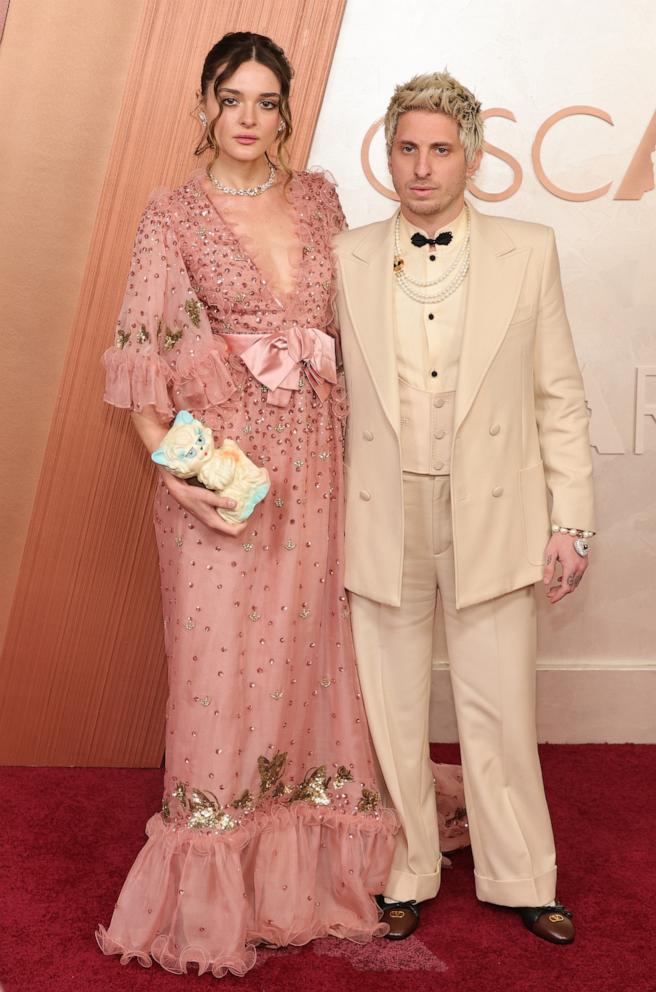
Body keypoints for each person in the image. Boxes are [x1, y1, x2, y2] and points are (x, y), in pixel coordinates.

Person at [96, 32, 399, 979]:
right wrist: (184, 475)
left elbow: (362, 327)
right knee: (220, 671)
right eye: (233, 98)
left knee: (315, 660)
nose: (249, 118)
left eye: (268, 102)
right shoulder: (172, 214)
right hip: (225, 473)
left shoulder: (319, 198)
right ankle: (217, 881)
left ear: (286, 111)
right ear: (204, 105)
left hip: (317, 463)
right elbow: (143, 369)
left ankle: (317, 873)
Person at [333, 71, 595, 945]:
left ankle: (521, 875)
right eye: (407, 147)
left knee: (500, 708)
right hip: (381, 509)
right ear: (389, 155)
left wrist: (573, 521)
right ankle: (408, 867)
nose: (421, 165)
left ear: (473, 158)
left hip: (495, 512)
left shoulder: (531, 248)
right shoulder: (346, 256)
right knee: (393, 705)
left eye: (440, 149)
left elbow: (560, 396)